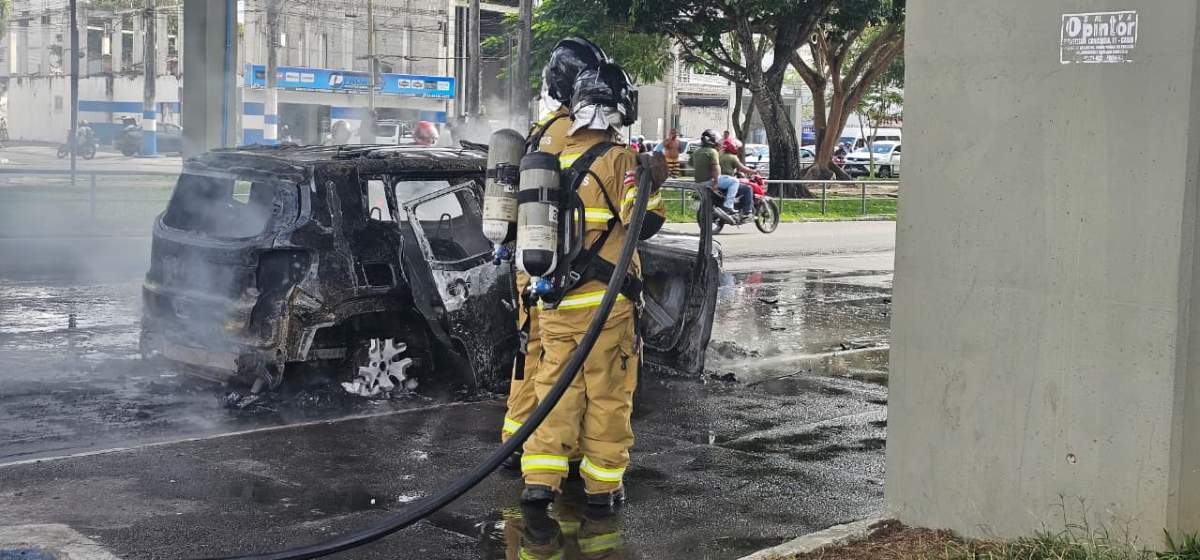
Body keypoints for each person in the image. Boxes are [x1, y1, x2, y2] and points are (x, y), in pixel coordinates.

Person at [520, 60, 665, 510]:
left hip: (555, 306)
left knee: (554, 390)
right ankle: (602, 489)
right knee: (607, 394)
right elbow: (645, 221)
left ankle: (541, 480)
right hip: (606, 306)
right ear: (619, 109)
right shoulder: (619, 159)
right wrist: (651, 177)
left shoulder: (549, 165)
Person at [501, 37, 608, 469]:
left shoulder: (543, 127)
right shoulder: (570, 131)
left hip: (530, 259)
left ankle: (516, 437)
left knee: (530, 353)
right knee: (554, 361)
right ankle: (541, 448)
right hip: (559, 266)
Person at [691, 129, 741, 217]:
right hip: (709, 181)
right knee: (735, 181)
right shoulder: (712, 151)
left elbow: (691, 163)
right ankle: (728, 205)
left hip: (698, 181)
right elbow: (716, 167)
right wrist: (716, 182)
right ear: (712, 140)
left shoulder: (696, 152)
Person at [719, 138, 757, 217]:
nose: (737, 148)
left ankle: (736, 206)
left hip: (719, 180)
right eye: (736, 146)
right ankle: (747, 211)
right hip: (727, 180)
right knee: (748, 189)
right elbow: (742, 168)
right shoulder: (732, 157)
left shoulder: (720, 155)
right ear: (732, 147)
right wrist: (753, 171)